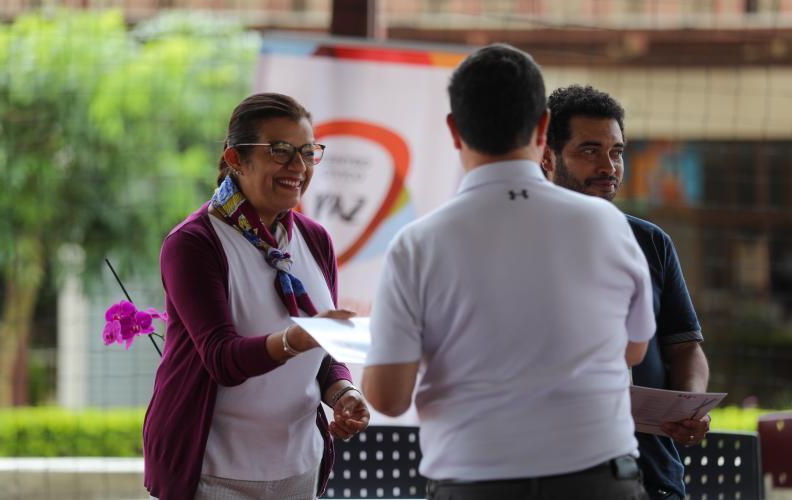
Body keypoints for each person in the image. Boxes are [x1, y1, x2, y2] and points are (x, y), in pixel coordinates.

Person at [361, 44, 655, 500]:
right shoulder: (608, 225)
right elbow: (634, 350)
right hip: (599, 481)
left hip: (474, 483)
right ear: (542, 128)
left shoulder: (417, 245)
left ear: (454, 131)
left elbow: (388, 397)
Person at [143, 93, 370, 500]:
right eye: (280, 151)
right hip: (211, 473)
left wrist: (344, 394)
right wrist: (296, 338)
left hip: (298, 466)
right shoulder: (194, 244)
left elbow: (324, 354)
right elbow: (221, 359)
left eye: (307, 152)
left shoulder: (315, 240)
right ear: (235, 159)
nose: (297, 167)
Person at [542, 84, 710, 500]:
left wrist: (690, 405)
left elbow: (685, 346)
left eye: (616, 152)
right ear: (547, 156)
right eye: (589, 150)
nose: (608, 166)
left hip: (653, 475)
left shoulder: (650, 241)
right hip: (556, 473)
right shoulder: (523, 244)